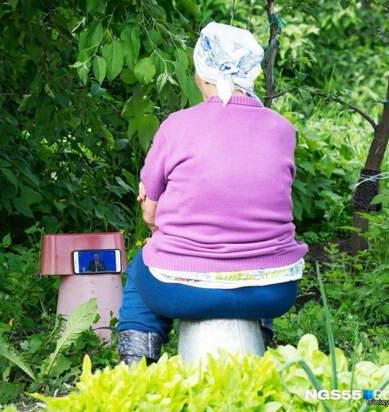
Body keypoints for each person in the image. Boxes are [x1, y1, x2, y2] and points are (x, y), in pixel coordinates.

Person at [117, 22, 308, 365]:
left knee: (140, 270)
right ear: (252, 74)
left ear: (200, 74)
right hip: (272, 290)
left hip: (180, 289)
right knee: (262, 248)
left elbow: (150, 214)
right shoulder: (282, 129)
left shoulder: (176, 125)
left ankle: (135, 369)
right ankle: (255, 352)